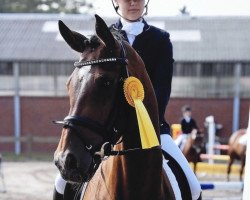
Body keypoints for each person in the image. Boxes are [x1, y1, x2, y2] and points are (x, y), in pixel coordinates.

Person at [54, 0, 201, 199]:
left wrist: (145, 123)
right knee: (61, 183)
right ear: (116, 2)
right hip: (109, 130)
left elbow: (162, 87)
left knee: (192, 186)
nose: (133, 3)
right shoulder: (101, 39)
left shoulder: (160, 39)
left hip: (153, 129)